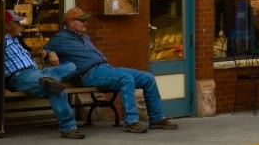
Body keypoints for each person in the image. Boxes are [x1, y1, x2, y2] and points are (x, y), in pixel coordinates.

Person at [48, 7, 178, 132]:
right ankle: (131, 121)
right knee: (125, 79)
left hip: (105, 69)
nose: (85, 23)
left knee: (147, 77)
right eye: (82, 20)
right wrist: (51, 53)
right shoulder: (60, 38)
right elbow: (43, 49)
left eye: (85, 20)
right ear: (71, 23)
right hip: (89, 74)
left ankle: (156, 119)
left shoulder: (84, 37)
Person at [3, 10, 83, 139]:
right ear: (7, 25)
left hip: (37, 73)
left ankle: (50, 80)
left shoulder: (16, 40)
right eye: (17, 23)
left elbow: (22, 55)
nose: (21, 26)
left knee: (71, 66)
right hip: (20, 76)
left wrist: (38, 53)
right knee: (56, 90)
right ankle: (69, 128)